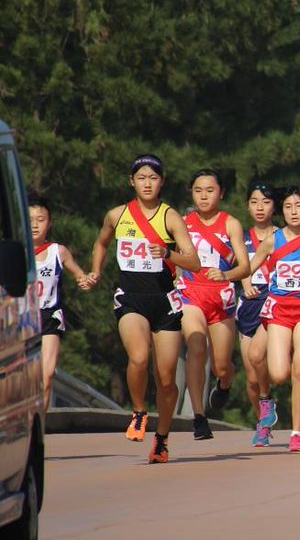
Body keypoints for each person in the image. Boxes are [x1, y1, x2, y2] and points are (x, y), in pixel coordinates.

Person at [82, 154, 202, 464]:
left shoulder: (170, 217)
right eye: (141, 178)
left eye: (153, 178)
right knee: (137, 356)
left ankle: (161, 439)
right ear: (132, 181)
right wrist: (95, 270)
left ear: (161, 182)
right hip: (130, 297)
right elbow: (101, 243)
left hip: (164, 300)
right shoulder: (117, 215)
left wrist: (167, 253)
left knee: (165, 379)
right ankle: (138, 411)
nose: (147, 183)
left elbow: (195, 263)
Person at [243, 185, 300, 451]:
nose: (293, 212)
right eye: (288, 207)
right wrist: (237, 279)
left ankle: (296, 433)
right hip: (279, 308)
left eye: (299, 206)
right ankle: (268, 404)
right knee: (279, 374)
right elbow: (248, 266)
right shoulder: (273, 239)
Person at [179, 169, 252, 441]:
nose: (204, 196)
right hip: (190, 294)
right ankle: (199, 416)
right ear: (191, 193)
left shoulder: (230, 223)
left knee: (221, 364)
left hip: (221, 298)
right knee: (196, 347)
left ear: (221, 193)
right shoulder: (182, 223)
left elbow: (244, 266)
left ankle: (224, 383)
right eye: (198, 190)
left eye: (210, 190)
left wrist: (226, 275)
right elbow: (171, 255)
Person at [29, 197, 88, 409]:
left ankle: (41, 427)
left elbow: (80, 276)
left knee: (45, 376)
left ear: (50, 223)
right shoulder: (15, 252)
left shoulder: (58, 251)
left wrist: (87, 280)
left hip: (49, 317)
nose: (34, 225)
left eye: (40, 219)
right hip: (21, 319)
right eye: (30, 220)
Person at [236, 182, 279, 443]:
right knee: (252, 377)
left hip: (277, 303)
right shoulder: (240, 238)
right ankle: (262, 418)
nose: (260, 207)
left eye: (265, 201)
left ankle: (292, 423)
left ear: (275, 206)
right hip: (249, 305)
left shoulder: (284, 235)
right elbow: (222, 263)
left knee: (271, 363)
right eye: (254, 201)